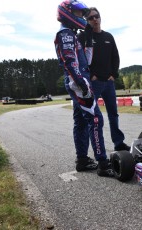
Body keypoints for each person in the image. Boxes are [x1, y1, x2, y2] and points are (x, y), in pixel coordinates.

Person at [54, 0, 114, 177]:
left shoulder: (71, 34)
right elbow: (70, 62)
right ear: (68, 12)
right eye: (79, 13)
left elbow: (85, 61)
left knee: (80, 121)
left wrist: (87, 40)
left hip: (78, 80)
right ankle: (103, 163)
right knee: (96, 119)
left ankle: (82, 160)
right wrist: (82, 84)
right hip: (78, 82)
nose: (83, 16)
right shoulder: (65, 34)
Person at [77, 7, 130, 151]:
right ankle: (97, 150)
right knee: (92, 117)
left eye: (97, 16)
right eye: (91, 18)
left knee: (113, 113)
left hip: (109, 82)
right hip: (94, 82)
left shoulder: (108, 37)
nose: (95, 19)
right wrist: (92, 74)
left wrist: (114, 75)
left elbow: (115, 57)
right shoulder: (84, 37)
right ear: (87, 21)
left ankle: (118, 143)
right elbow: (81, 59)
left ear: (100, 18)